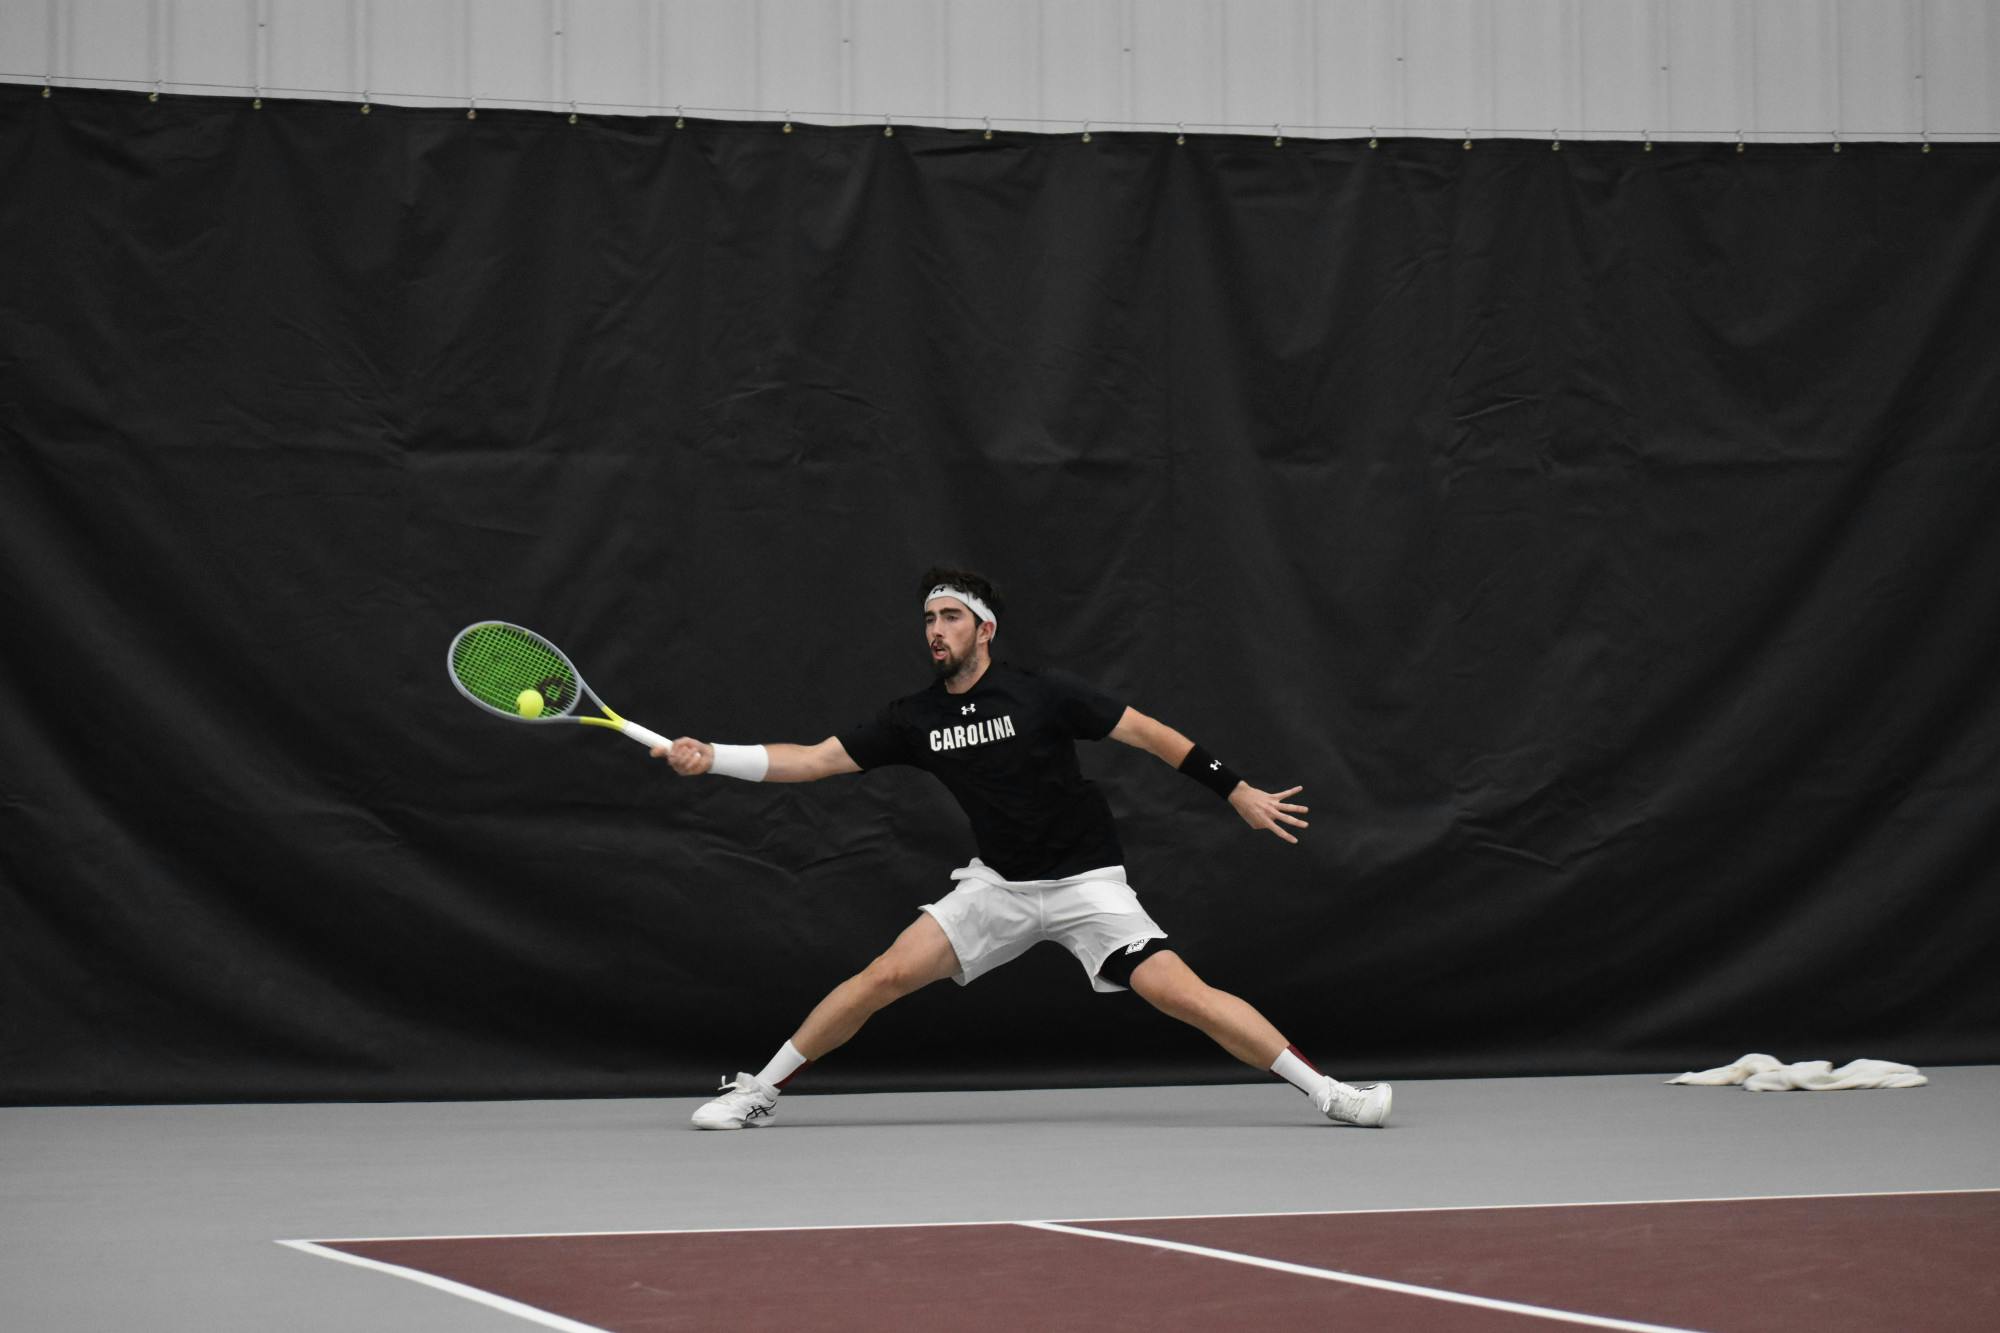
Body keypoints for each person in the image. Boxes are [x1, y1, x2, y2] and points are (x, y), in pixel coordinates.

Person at [651, 568, 1391, 1130]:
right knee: (884, 975)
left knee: (1184, 995)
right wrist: (711, 755)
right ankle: (759, 1090)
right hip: (999, 887)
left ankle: (1331, 1092)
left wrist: (1234, 789)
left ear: (985, 628)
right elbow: (812, 760)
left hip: (1087, 885)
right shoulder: (914, 718)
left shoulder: (1042, 694)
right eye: (928, 619)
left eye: (950, 617)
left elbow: (1148, 733)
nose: (935, 630)